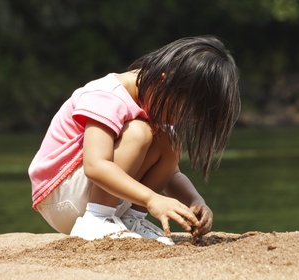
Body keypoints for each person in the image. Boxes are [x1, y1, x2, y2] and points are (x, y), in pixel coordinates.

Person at [28, 36, 240, 245]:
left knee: (170, 142)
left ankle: (130, 221)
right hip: (60, 196)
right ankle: (98, 219)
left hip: (93, 194)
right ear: (163, 80)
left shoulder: (155, 105)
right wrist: (151, 199)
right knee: (139, 132)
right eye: (181, 111)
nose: (180, 119)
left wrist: (195, 201)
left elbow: (171, 174)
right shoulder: (107, 95)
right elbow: (95, 166)